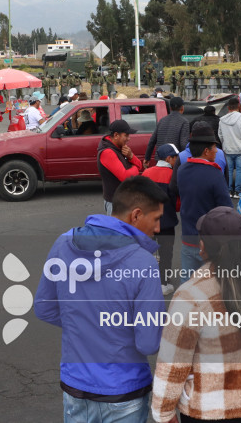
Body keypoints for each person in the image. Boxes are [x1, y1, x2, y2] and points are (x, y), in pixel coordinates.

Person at [34, 176, 167, 423]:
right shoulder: (143, 263)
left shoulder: (63, 243)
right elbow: (148, 343)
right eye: (157, 218)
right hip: (124, 390)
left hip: (76, 386)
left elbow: (44, 308)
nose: (158, 228)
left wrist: (85, 324)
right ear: (136, 215)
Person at [151, 206, 241, 423]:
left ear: (202, 247)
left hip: (209, 409)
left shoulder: (191, 295)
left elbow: (173, 363)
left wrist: (164, 413)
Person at [173, 127, 232, 284]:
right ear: (206, 151)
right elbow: (226, 209)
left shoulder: (182, 170)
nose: (216, 151)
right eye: (214, 147)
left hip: (187, 237)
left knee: (187, 282)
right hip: (210, 241)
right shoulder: (214, 173)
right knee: (213, 284)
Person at [141, 143, 180, 296]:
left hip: (147, 222)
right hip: (167, 222)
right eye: (175, 157)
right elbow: (177, 202)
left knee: (146, 252)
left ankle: (145, 281)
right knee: (166, 253)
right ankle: (164, 283)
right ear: (169, 158)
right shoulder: (172, 175)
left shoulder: (146, 173)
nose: (177, 160)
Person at [97, 119, 143, 216]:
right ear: (116, 135)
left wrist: (131, 156)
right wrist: (135, 167)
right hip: (116, 203)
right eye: (126, 135)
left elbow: (140, 165)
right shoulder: (108, 152)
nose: (128, 138)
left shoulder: (120, 147)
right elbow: (126, 177)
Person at [219, 97, 241, 199]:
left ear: (228, 107)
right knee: (239, 170)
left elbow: (220, 135)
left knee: (229, 170)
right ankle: (238, 191)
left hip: (228, 148)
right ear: (239, 106)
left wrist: (224, 144)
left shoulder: (222, 120)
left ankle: (229, 190)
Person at [144, 96, 190, 164]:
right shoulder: (184, 122)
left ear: (170, 108)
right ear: (182, 108)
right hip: (174, 160)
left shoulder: (162, 120)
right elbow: (183, 144)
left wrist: (147, 158)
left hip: (160, 159)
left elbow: (152, 141)